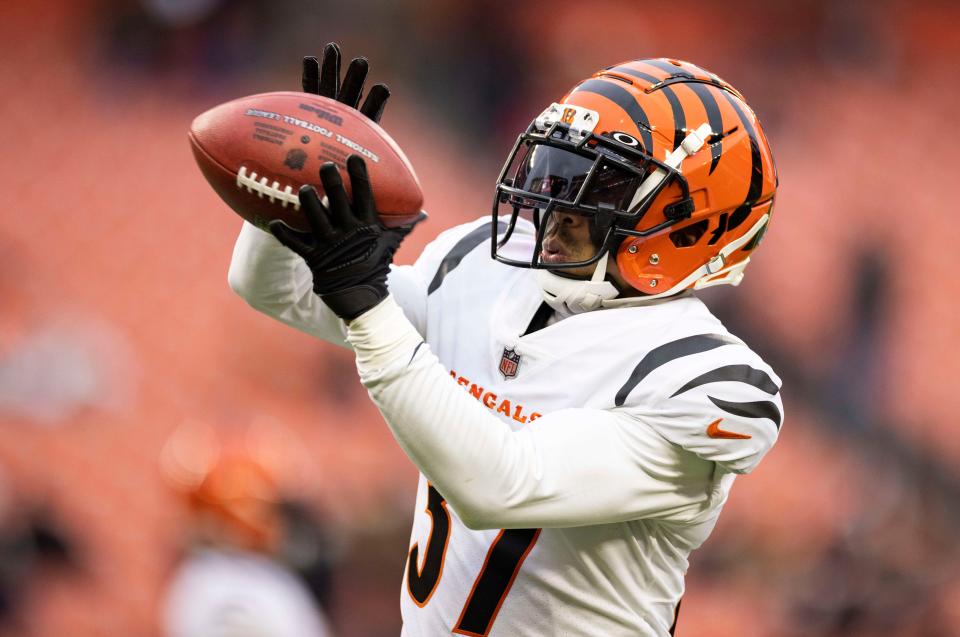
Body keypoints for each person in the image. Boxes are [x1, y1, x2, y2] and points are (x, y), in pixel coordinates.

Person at [228, 43, 782, 637]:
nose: (556, 202)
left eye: (601, 188)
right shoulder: (490, 269)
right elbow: (274, 290)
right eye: (559, 169)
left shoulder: (705, 381)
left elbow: (503, 484)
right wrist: (293, 185)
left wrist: (366, 305)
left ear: (691, 222)